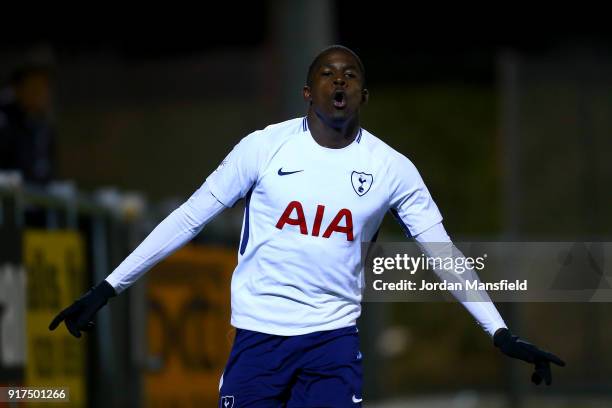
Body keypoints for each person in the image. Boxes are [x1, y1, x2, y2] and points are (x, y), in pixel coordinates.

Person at [49, 45, 565, 407]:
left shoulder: (392, 169)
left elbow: (442, 253)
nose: (339, 80)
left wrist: (498, 331)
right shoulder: (264, 147)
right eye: (327, 72)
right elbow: (189, 217)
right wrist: (108, 286)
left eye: (351, 75)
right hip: (258, 339)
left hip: (332, 342)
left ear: (365, 95)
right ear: (306, 92)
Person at [0, 65, 55, 185]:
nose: (41, 94)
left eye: (44, 88)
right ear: (17, 90)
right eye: (34, 88)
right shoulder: (6, 121)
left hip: (35, 197)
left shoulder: (43, 127)